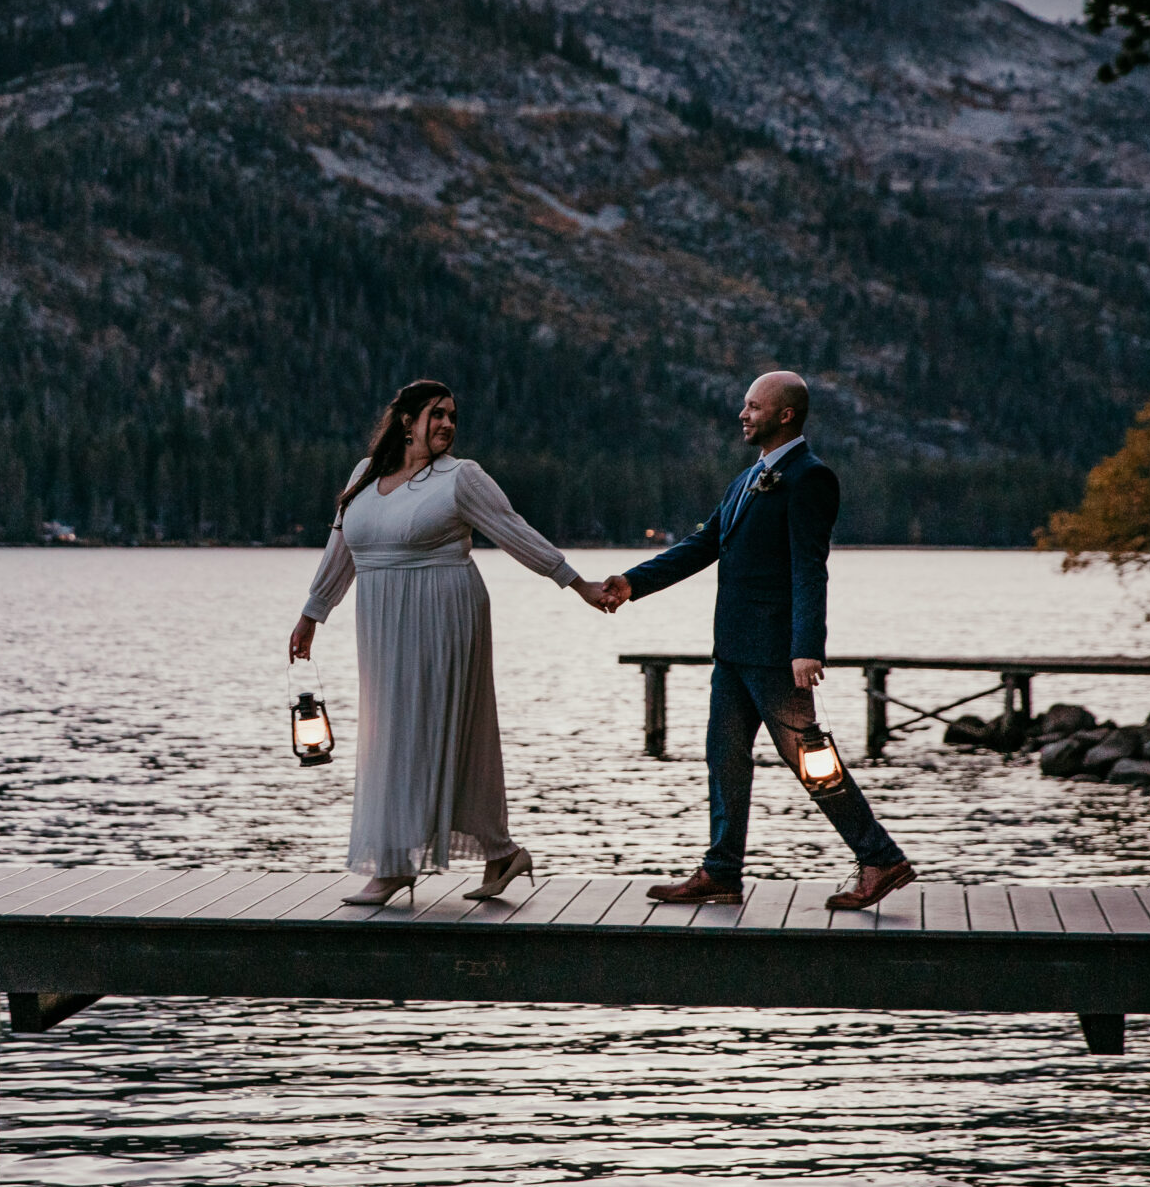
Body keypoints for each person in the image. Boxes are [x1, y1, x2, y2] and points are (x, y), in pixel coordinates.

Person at [290, 378, 617, 906]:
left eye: (453, 417)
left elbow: (515, 531)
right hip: (380, 617)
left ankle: (395, 862)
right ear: (406, 421)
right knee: (390, 729)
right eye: (436, 414)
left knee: (429, 731)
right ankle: (498, 850)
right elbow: (341, 546)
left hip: (444, 609)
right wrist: (312, 613)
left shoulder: (461, 478)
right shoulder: (365, 476)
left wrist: (577, 584)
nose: (446, 424)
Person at [599, 371, 917, 911]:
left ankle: (880, 858)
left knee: (811, 758)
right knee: (723, 757)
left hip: (775, 655)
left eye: (753, 406)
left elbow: (809, 568)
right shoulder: (748, 479)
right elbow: (702, 545)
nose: (742, 415)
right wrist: (633, 584)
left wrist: (806, 646)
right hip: (732, 652)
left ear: (785, 414)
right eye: (744, 406)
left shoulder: (809, 478)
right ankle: (721, 871)